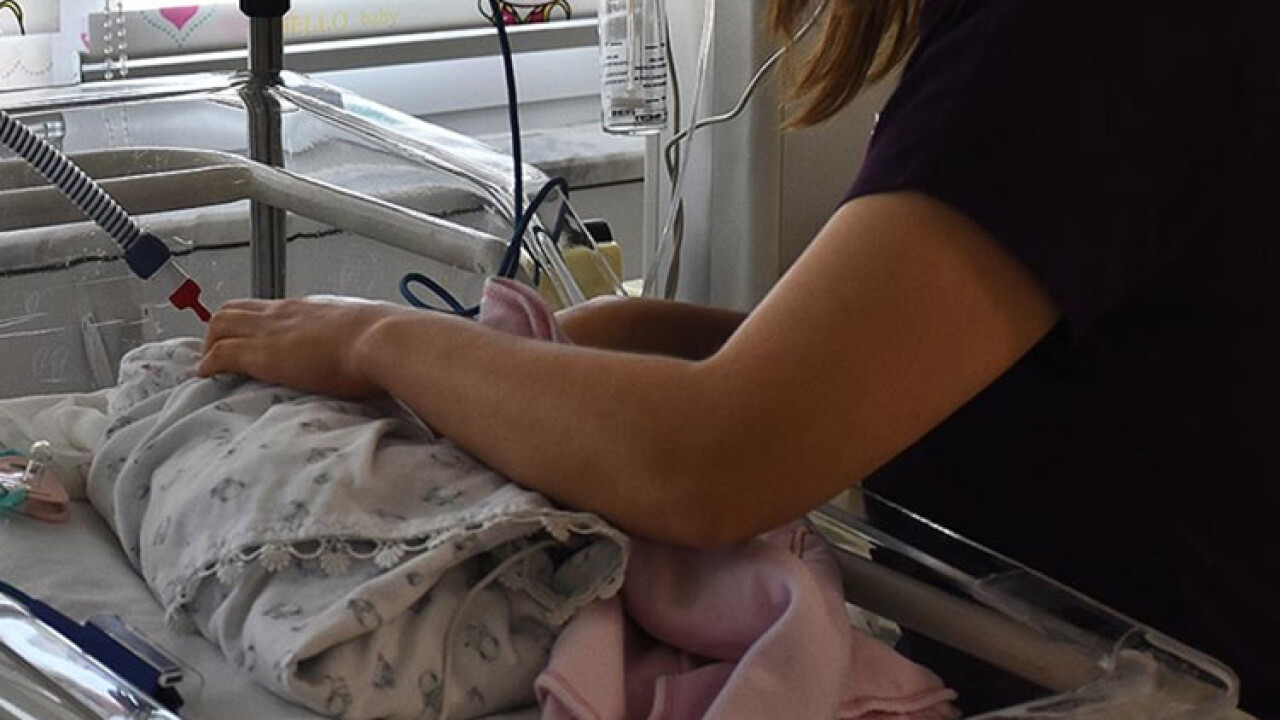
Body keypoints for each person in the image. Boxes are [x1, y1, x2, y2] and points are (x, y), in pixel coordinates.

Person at [200, 0, 1280, 715]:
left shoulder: (1081, 34)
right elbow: (1000, 364)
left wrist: (378, 339)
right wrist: (657, 351)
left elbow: (715, 462)